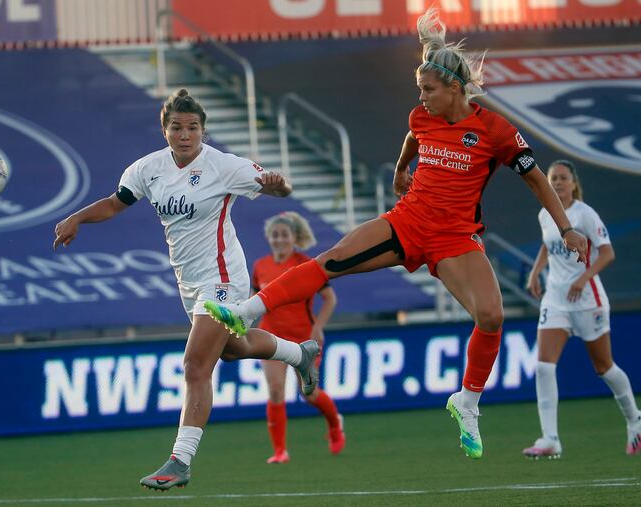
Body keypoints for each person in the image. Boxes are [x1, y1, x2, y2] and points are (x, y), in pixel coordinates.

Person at [205, 7, 588, 460]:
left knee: (491, 316)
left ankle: (467, 402)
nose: (421, 98)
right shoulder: (423, 116)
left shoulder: (494, 130)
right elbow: (412, 136)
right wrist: (403, 169)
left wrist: (566, 227)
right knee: (330, 262)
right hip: (407, 223)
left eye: (429, 90)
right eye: (419, 90)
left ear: (455, 89)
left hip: (455, 239)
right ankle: (247, 311)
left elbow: (536, 178)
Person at [52, 89, 321, 491]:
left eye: (192, 127)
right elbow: (115, 202)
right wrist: (77, 218)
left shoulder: (222, 165)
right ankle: (299, 353)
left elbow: (277, 187)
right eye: (176, 127)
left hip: (224, 276)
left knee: (196, 365)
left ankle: (180, 460)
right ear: (164, 130)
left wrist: (279, 186)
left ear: (203, 131)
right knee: (233, 349)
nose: (185, 135)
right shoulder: (147, 169)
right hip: (189, 282)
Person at [522, 160, 641, 459]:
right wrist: (536, 271)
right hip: (556, 300)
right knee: (543, 366)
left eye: (563, 178)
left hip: (588, 300)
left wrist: (583, 278)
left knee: (604, 367)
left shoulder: (585, 215)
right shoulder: (545, 214)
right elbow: (548, 245)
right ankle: (550, 439)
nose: (558, 183)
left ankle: (635, 420)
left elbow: (607, 253)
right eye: (553, 179)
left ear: (574, 183)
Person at [254, 211, 344, 464]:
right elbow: (254, 300)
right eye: (275, 235)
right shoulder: (260, 266)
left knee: (310, 394)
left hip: (303, 339)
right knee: (275, 390)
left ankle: (335, 425)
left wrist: (318, 327)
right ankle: (280, 451)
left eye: (284, 234)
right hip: (271, 335)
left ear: (294, 237)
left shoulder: (306, 264)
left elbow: (330, 298)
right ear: (268, 238)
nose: (279, 239)